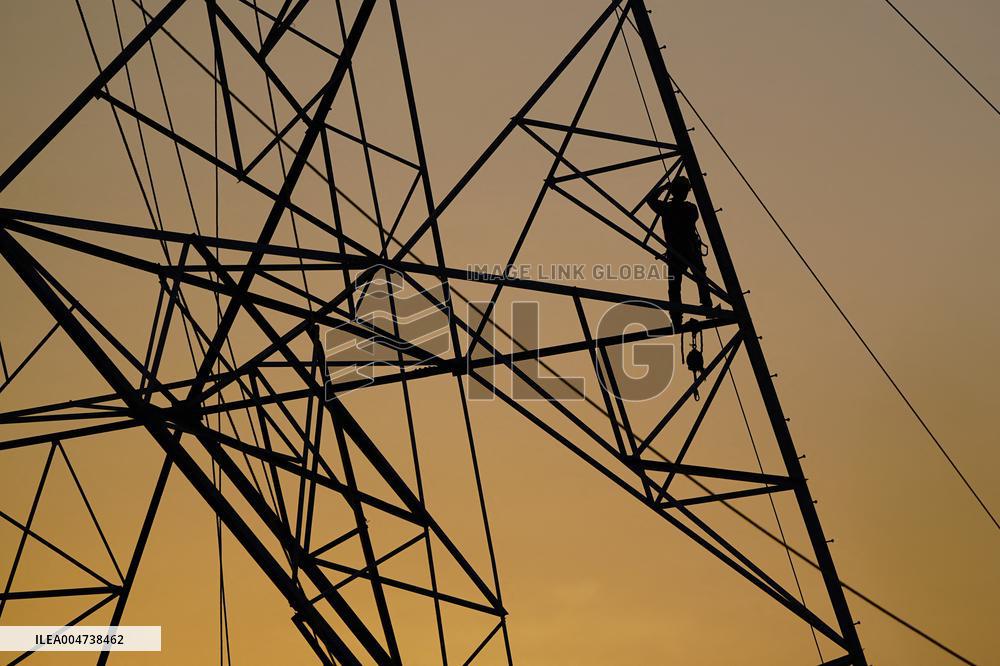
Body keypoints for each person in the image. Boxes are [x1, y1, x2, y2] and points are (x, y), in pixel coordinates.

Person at [644, 175, 713, 328]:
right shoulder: (684, 208)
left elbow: (651, 199)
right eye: (683, 190)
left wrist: (666, 188)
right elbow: (650, 200)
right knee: (692, 279)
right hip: (684, 251)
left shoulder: (674, 209)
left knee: (687, 281)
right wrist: (667, 187)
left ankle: (681, 315)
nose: (685, 193)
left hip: (683, 251)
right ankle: (697, 309)